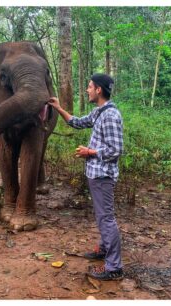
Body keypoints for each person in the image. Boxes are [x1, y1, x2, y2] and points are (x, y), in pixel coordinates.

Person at [48, 73, 123, 281]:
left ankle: (114, 267)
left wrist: (89, 152)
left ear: (99, 90)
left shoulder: (110, 115)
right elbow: (78, 122)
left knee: (106, 218)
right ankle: (105, 250)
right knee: (102, 217)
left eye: (90, 86)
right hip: (96, 175)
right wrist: (58, 107)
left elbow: (115, 150)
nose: (87, 90)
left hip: (102, 176)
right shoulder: (99, 112)